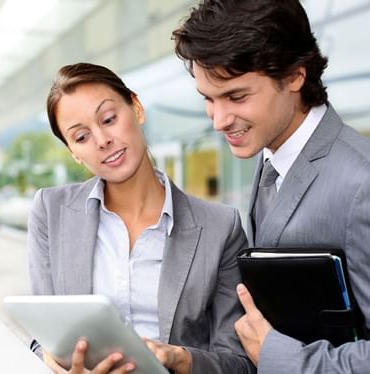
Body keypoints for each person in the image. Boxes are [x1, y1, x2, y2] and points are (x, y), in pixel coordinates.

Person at [173, 0, 370, 373]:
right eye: (208, 99)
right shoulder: (269, 153)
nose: (219, 120)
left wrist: (275, 354)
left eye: (237, 96)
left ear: (294, 77)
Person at [27, 62, 254, 374]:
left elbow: (239, 364)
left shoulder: (220, 228)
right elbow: (44, 335)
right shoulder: (50, 211)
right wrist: (57, 362)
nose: (102, 140)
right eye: (81, 137)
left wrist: (177, 358)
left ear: (136, 107)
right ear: (74, 153)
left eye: (108, 119)